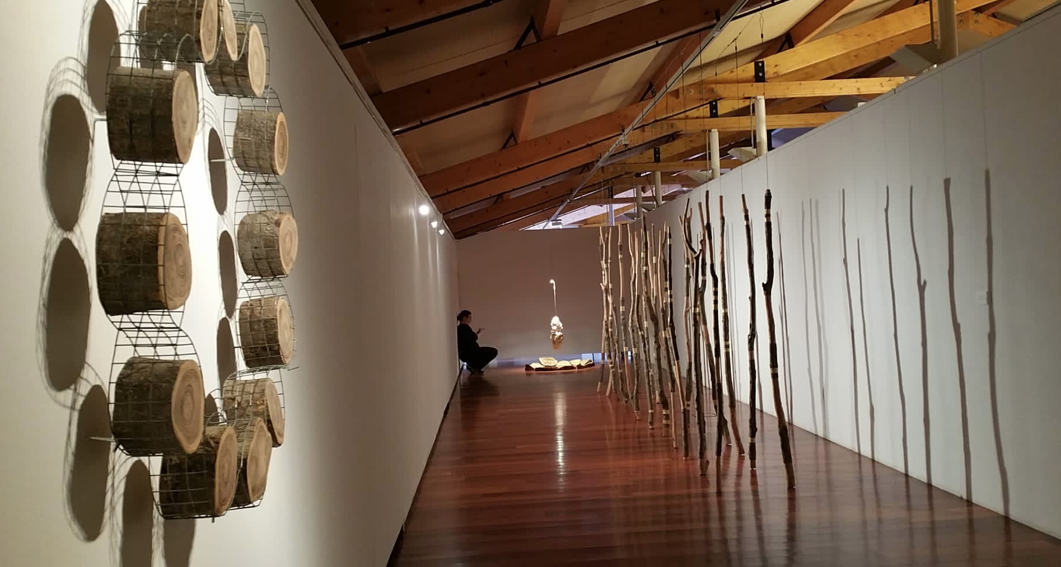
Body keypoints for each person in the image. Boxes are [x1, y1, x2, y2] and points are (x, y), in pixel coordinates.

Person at [457, 310, 497, 374]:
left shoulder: (462, 328)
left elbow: (471, 337)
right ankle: (474, 366)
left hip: (468, 352)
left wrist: (477, 333)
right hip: (469, 353)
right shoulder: (464, 328)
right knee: (493, 351)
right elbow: (474, 337)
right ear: (464, 318)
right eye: (469, 317)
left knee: (490, 351)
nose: (470, 319)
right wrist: (478, 333)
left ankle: (474, 366)